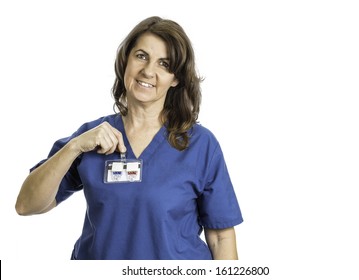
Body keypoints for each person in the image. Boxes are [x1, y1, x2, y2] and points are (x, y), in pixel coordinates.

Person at [15, 16, 243, 260]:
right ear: (126, 60)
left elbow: (220, 237)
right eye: (141, 56)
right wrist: (74, 147)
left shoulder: (200, 144)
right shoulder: (91, 137)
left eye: (164, 64)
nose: (148, 71)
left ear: (175, 78)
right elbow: (26, 205)